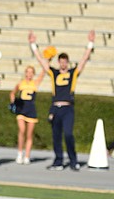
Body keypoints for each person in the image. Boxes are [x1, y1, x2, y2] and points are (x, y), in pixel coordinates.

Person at [29, 30, 95, 171]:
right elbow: (42, 61)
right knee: (56, 136)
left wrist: (90, 43)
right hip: (55, 108)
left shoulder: (73, 73)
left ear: (67, 62)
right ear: (58, 62)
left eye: (65, 62)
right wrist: (33, 45)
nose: (63, 64)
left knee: (68, 134)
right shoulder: (54, 73)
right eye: (61, 62)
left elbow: (83, 61)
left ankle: (73, 160)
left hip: (67, 108)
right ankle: (58, 161)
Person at [10, 65, 45, 165]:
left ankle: (27, 156)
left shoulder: (35, 83)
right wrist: (13, 103)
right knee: (22, 130)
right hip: (21, 110)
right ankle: (20, 153)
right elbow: (12, 93)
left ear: (33, 74)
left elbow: (43, 73)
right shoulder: (20, 83)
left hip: (31, 111)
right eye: (28, 72)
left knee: (29, 135)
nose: (29, 74)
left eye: (31, 72)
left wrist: (47, 60)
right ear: (25, 73)